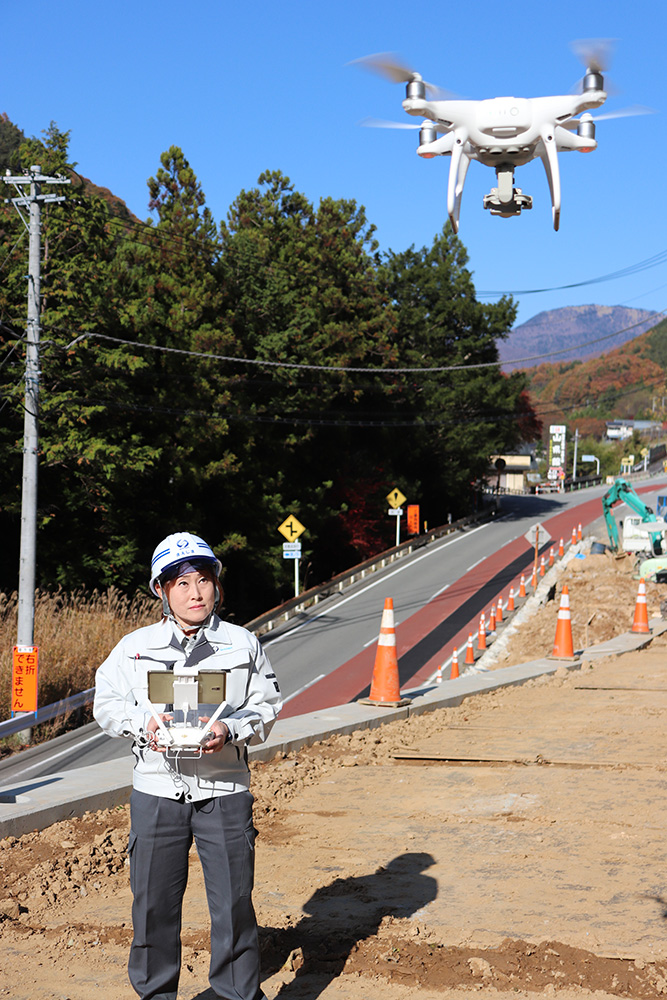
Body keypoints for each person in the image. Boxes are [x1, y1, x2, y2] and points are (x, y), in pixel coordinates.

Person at [93, 531, 282, 1000]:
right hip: (157, 792)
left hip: (225, 792)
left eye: (203, 580)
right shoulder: (134, 647)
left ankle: (237, 993)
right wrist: (144, 726)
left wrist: (231, 730)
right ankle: (156, 993)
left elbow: (267, 704)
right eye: (181, 583)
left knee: (234, 904)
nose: (195, 593)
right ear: (161, 590)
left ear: (217, 584)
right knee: (152, 906)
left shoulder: (242, 644)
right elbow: (107, 703)